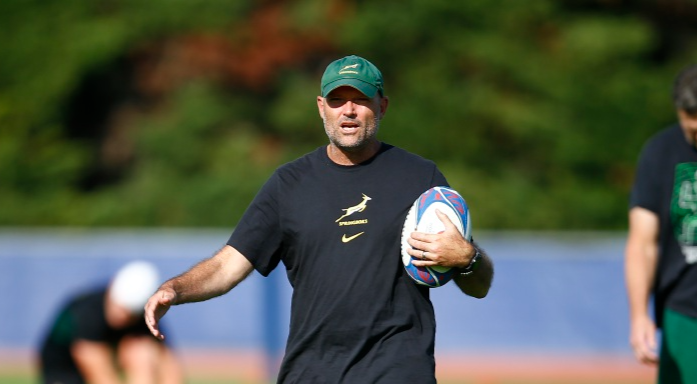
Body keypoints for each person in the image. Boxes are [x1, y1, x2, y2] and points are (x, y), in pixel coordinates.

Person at [145, 54, 494, 383]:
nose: (349, 110)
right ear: (321, 107)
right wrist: (175, 289)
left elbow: (478, 285)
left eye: (361, 99)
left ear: (382, 106)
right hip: (312, 371)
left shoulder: (420, 178)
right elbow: (226, 267)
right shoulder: (289, 185)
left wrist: (467, 258)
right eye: (337, 100)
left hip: (397, 368)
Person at [626, 64, 697, 383]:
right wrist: (640, 314)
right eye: (691, 121)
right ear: (680, 111)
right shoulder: (661, 152)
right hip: (685, 311)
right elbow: (643, 243)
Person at [39, 260, 183, 384]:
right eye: (118, 307)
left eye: (128, 313)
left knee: (143, 351)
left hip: (110, 357)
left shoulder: (143, 317)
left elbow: (169, 365)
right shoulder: (87, 312)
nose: (120, 316)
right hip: (65, 369)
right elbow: (101, 377)